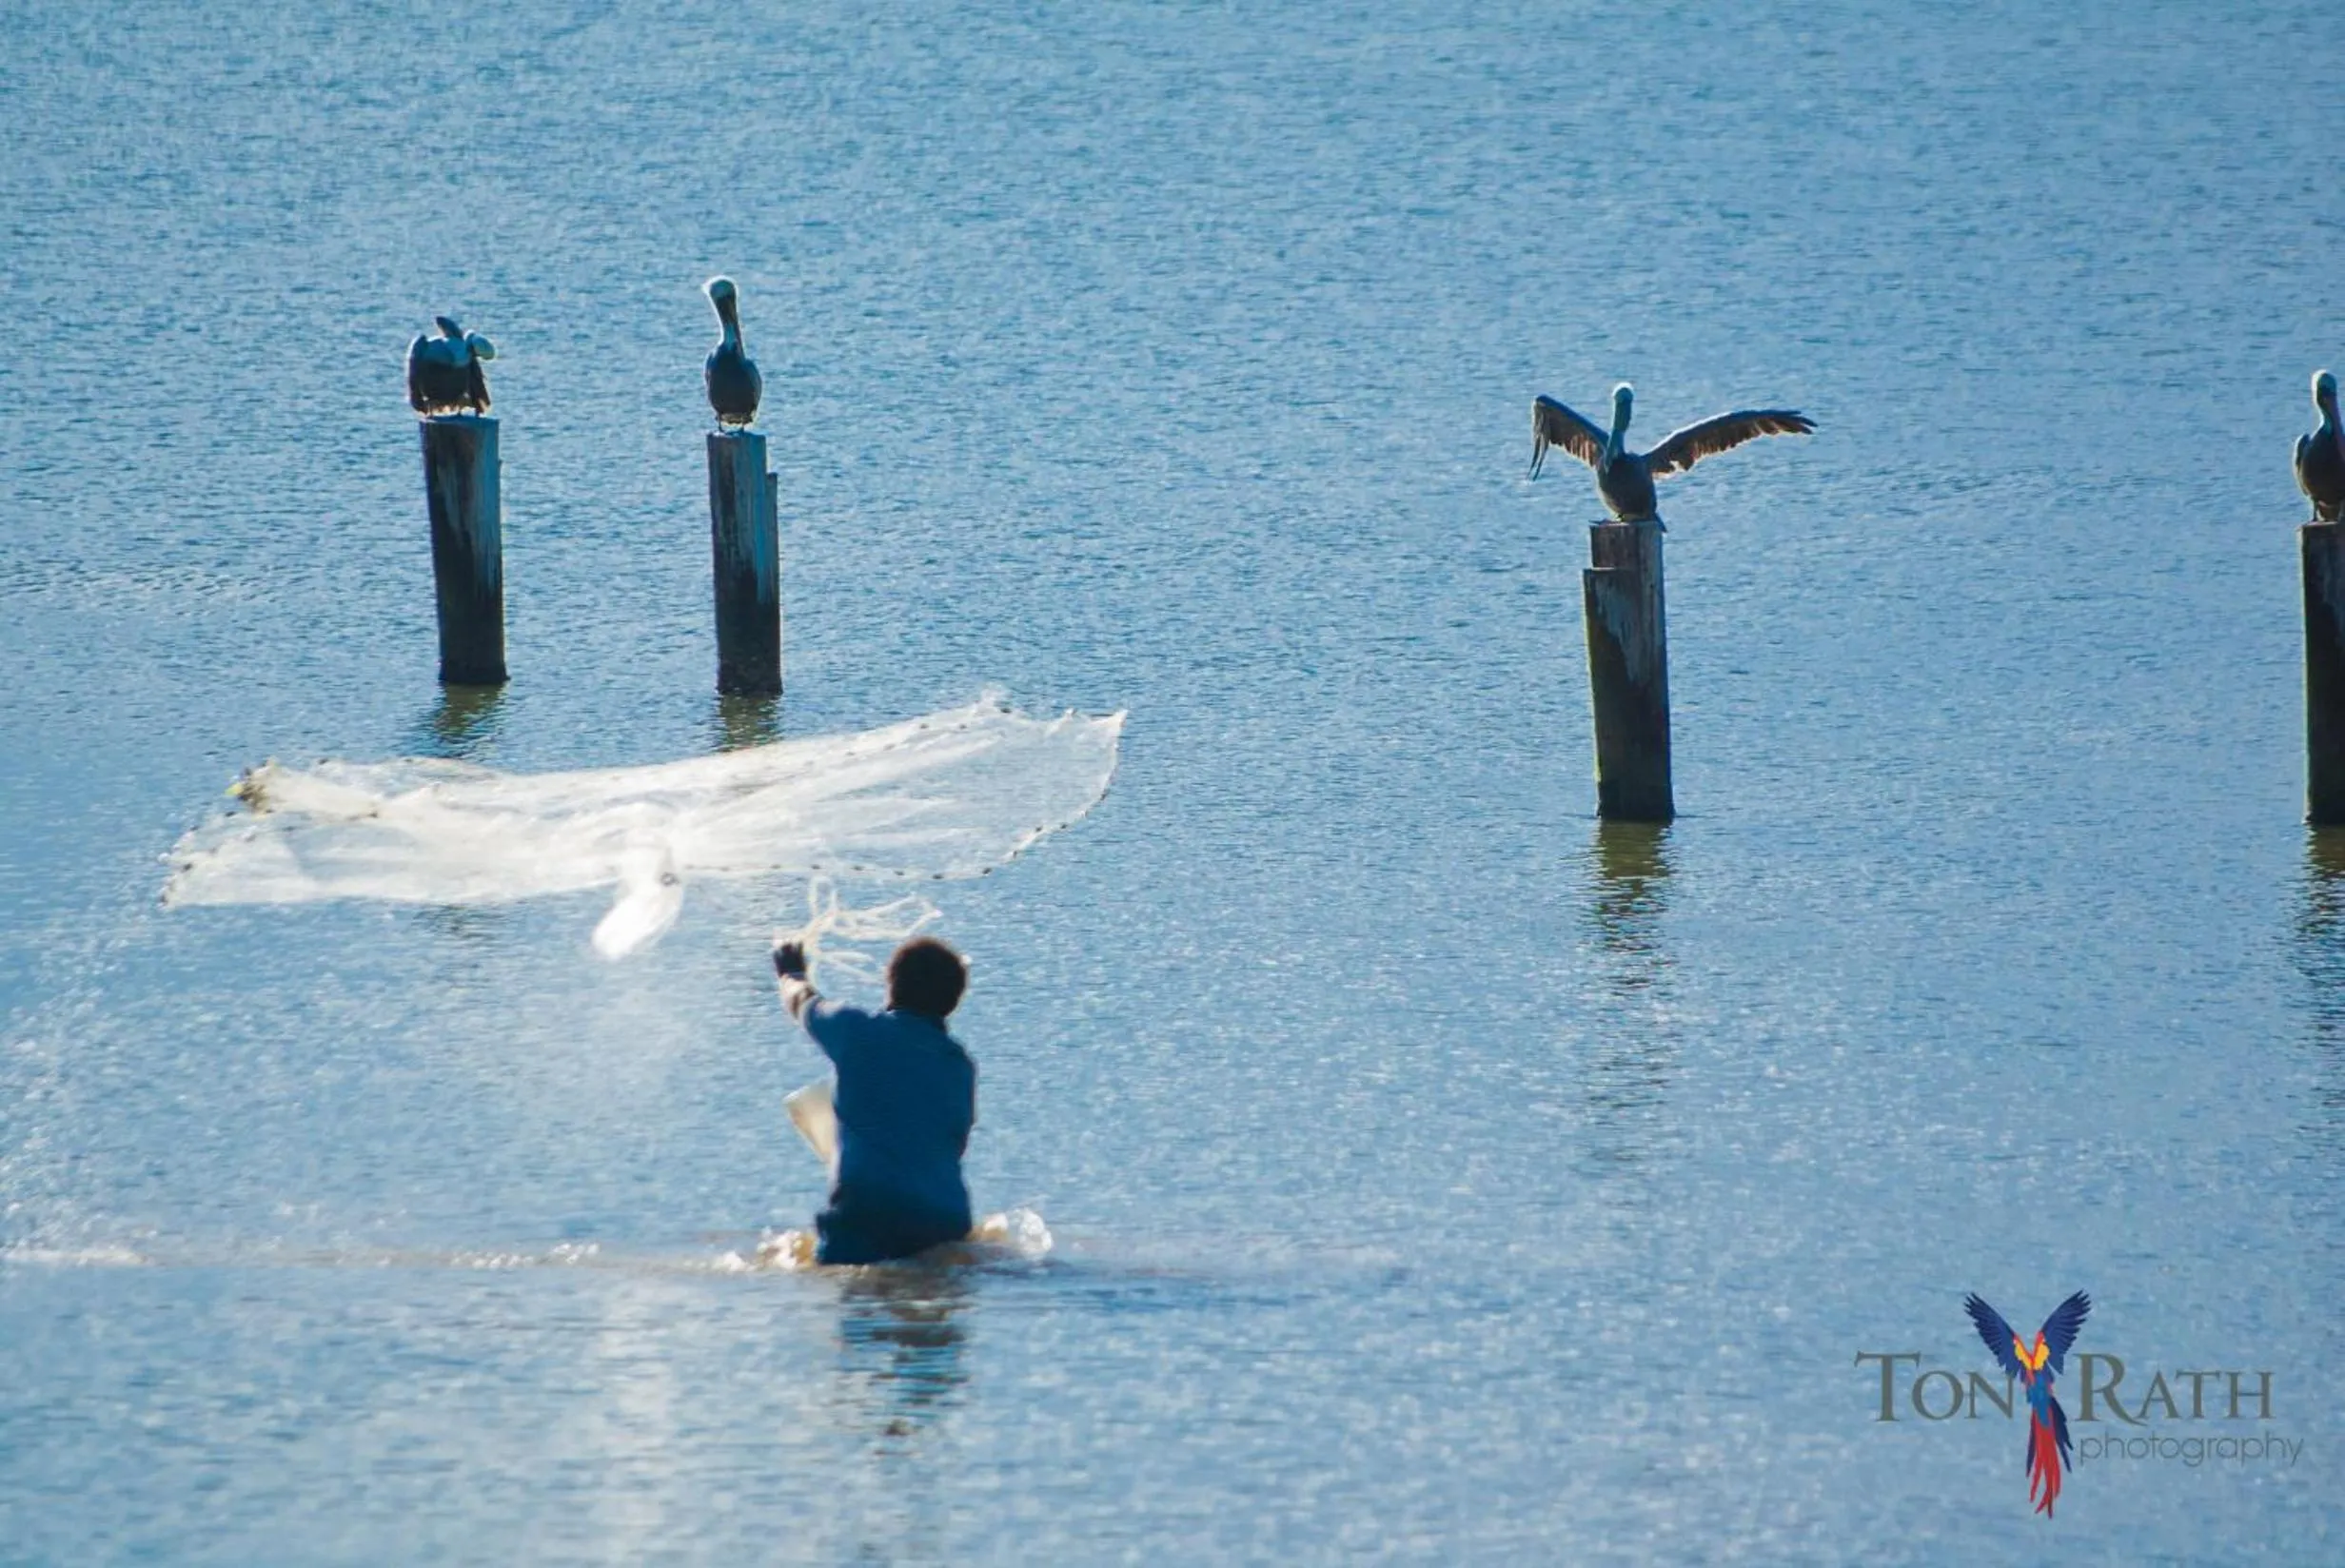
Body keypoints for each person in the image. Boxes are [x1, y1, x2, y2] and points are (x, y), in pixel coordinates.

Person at [773, 934, 977, 1264]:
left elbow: (803, 1003)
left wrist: (790, 973)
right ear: (953, 1001)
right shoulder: (960, 1066)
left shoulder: (856, 1032)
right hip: (944, 1219)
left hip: (865, 1216)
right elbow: (951, 1144)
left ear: (891, 984)